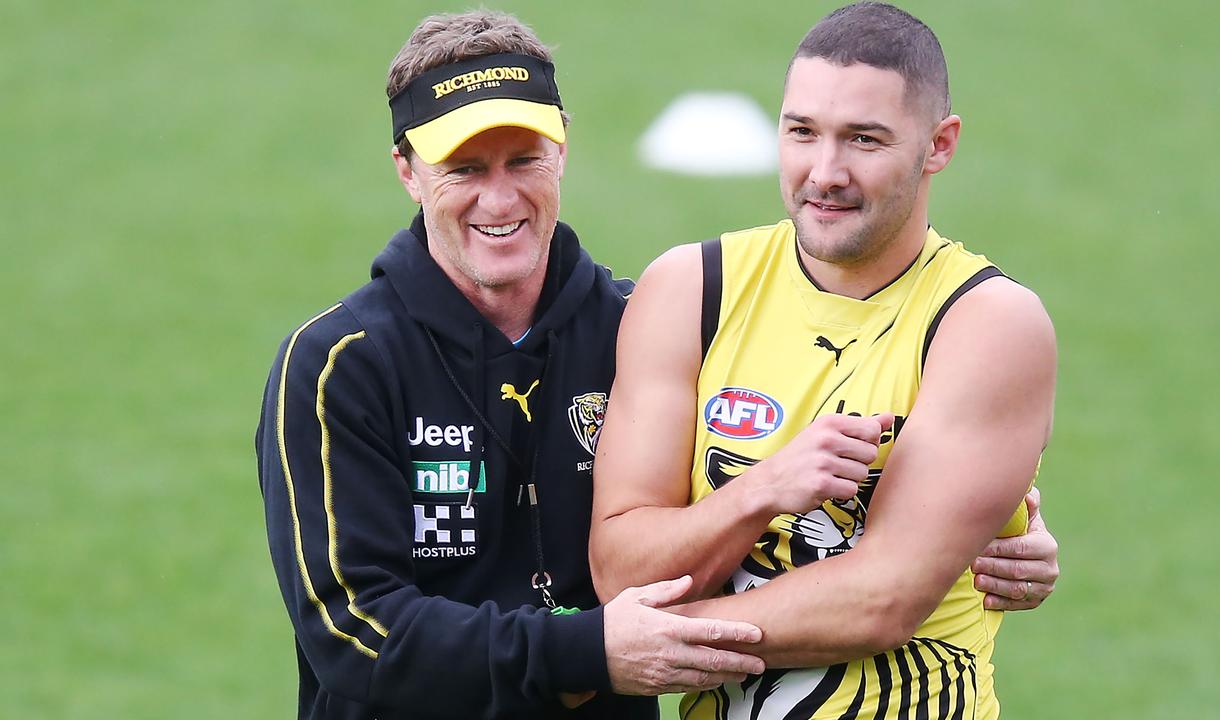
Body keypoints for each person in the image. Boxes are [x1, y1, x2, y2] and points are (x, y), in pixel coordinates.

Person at [256, 8, 1057, 720]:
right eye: (464, 169)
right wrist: (592, 654)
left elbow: (780, 540)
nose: (498, 200)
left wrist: (980, 539)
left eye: (523, 160)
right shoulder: (338, 364)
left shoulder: (634, 323)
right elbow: (352, 630)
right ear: (407, 169)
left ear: (562, 145)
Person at [589, 3, 1058, 719]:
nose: (825, 172)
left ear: (939, 145)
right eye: (802, 132)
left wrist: (638, 641)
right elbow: (622, 571)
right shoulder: (691, 289)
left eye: (864, 140)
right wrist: (760, 491)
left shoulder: (985, 323)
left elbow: (880, 600)